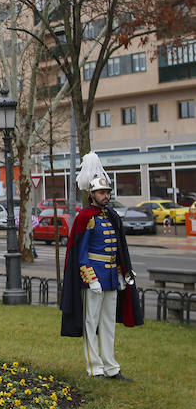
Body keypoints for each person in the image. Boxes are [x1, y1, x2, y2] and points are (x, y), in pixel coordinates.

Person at [60, 152, 143, 379]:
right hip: (93, 279)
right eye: (101, 192)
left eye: (107, 192)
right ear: (92, 194)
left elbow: (117, 250)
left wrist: (119, 274)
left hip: (110, 278)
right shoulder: (85, 217)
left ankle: (111, 366)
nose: (106, 196)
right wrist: (91, 278)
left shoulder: (111, 216)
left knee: (108, 324)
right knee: (91, 323)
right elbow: (81, 253)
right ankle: (94, 366)